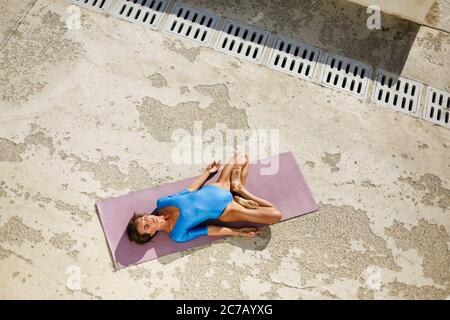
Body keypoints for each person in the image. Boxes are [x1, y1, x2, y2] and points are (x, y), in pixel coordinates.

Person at [127, 154, 282, 244]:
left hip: (218, 187)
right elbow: (209, 230)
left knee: (241, 157)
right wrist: (238, 232)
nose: (149, 220)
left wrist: (208, 172)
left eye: (145, 218)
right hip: (227, 210)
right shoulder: (177, 234)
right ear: (152, 234)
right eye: (147, 226)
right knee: (275, 215)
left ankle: (237, 189)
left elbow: (190, 190)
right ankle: (240, 190)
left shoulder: (162, 203)